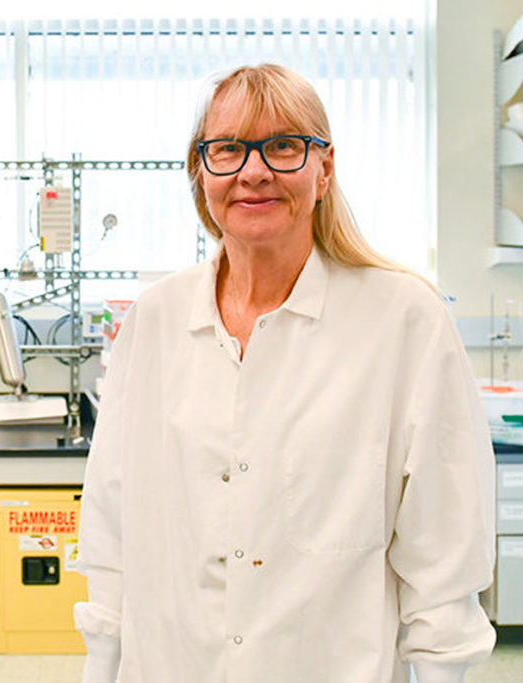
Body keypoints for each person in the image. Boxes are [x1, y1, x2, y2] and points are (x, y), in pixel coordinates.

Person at [73, 63, 496, 683]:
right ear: (200, 171)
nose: (254, 171)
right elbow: (111, 531)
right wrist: (101, 667)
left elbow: (443, 548)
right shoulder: (154, 321)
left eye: (282, 145)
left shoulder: (403, 320)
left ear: (324, 169)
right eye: (227, 149)